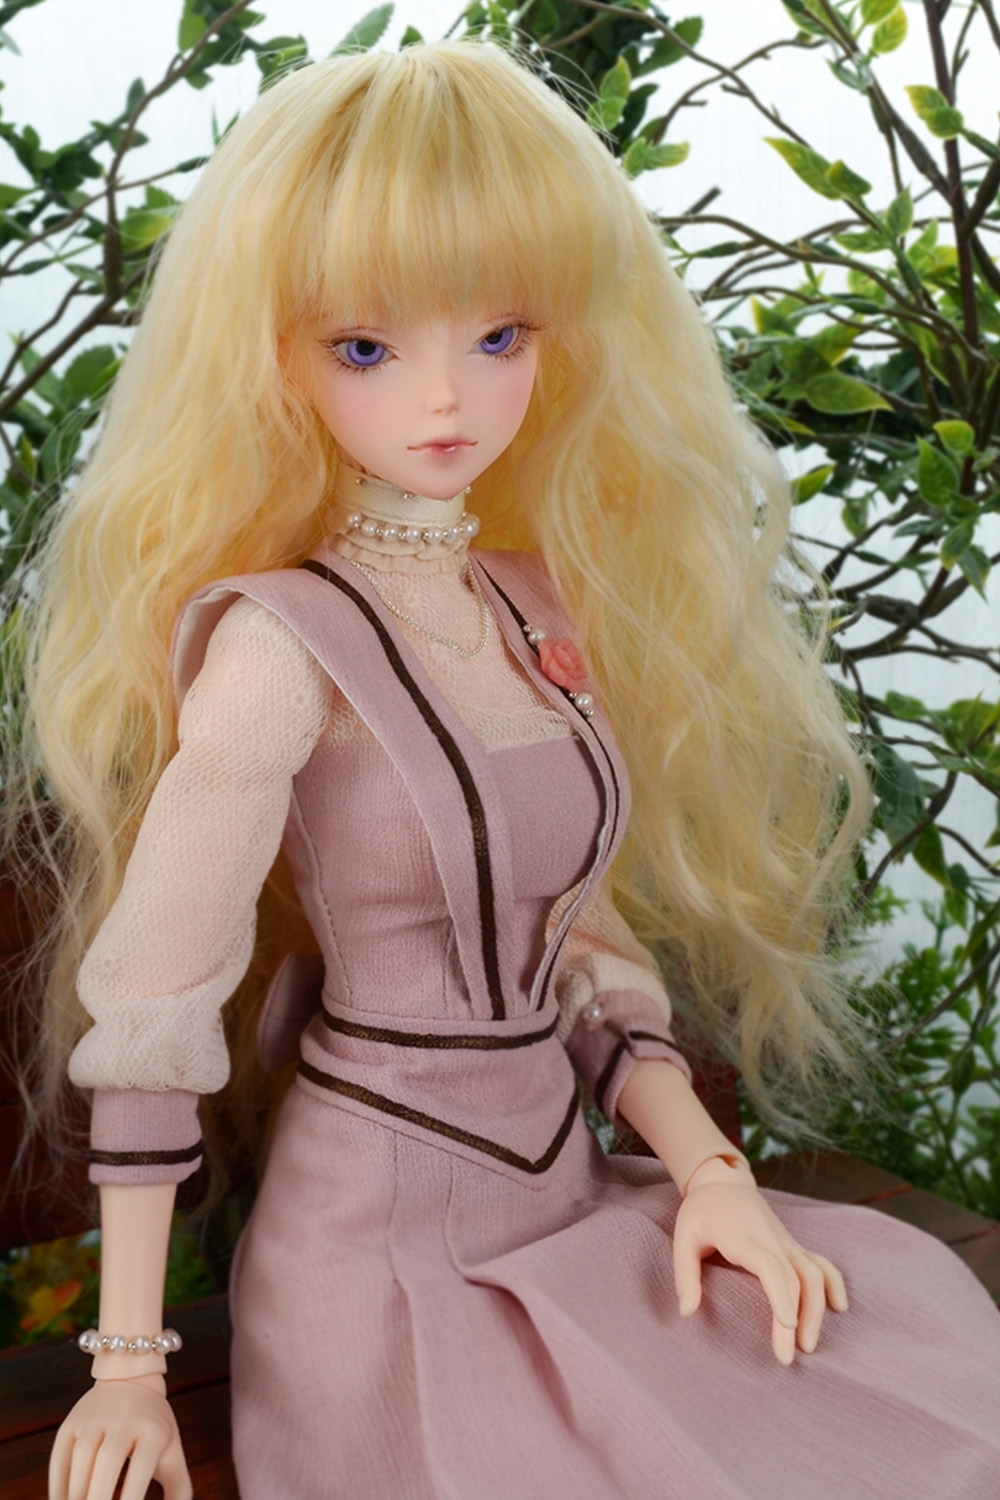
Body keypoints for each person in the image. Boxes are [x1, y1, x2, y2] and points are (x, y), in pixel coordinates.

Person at [13, 40, 1000, 1500]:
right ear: (274, 356)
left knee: (900, 1371)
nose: (447, 398)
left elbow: (579, 947)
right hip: (386, 1252)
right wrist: (126, 1373)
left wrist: (711, 1174)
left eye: (499, 335)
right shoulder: (280, 646)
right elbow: (158, 1004)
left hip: (570, 1189)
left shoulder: (527, 605)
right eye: (366, 347)